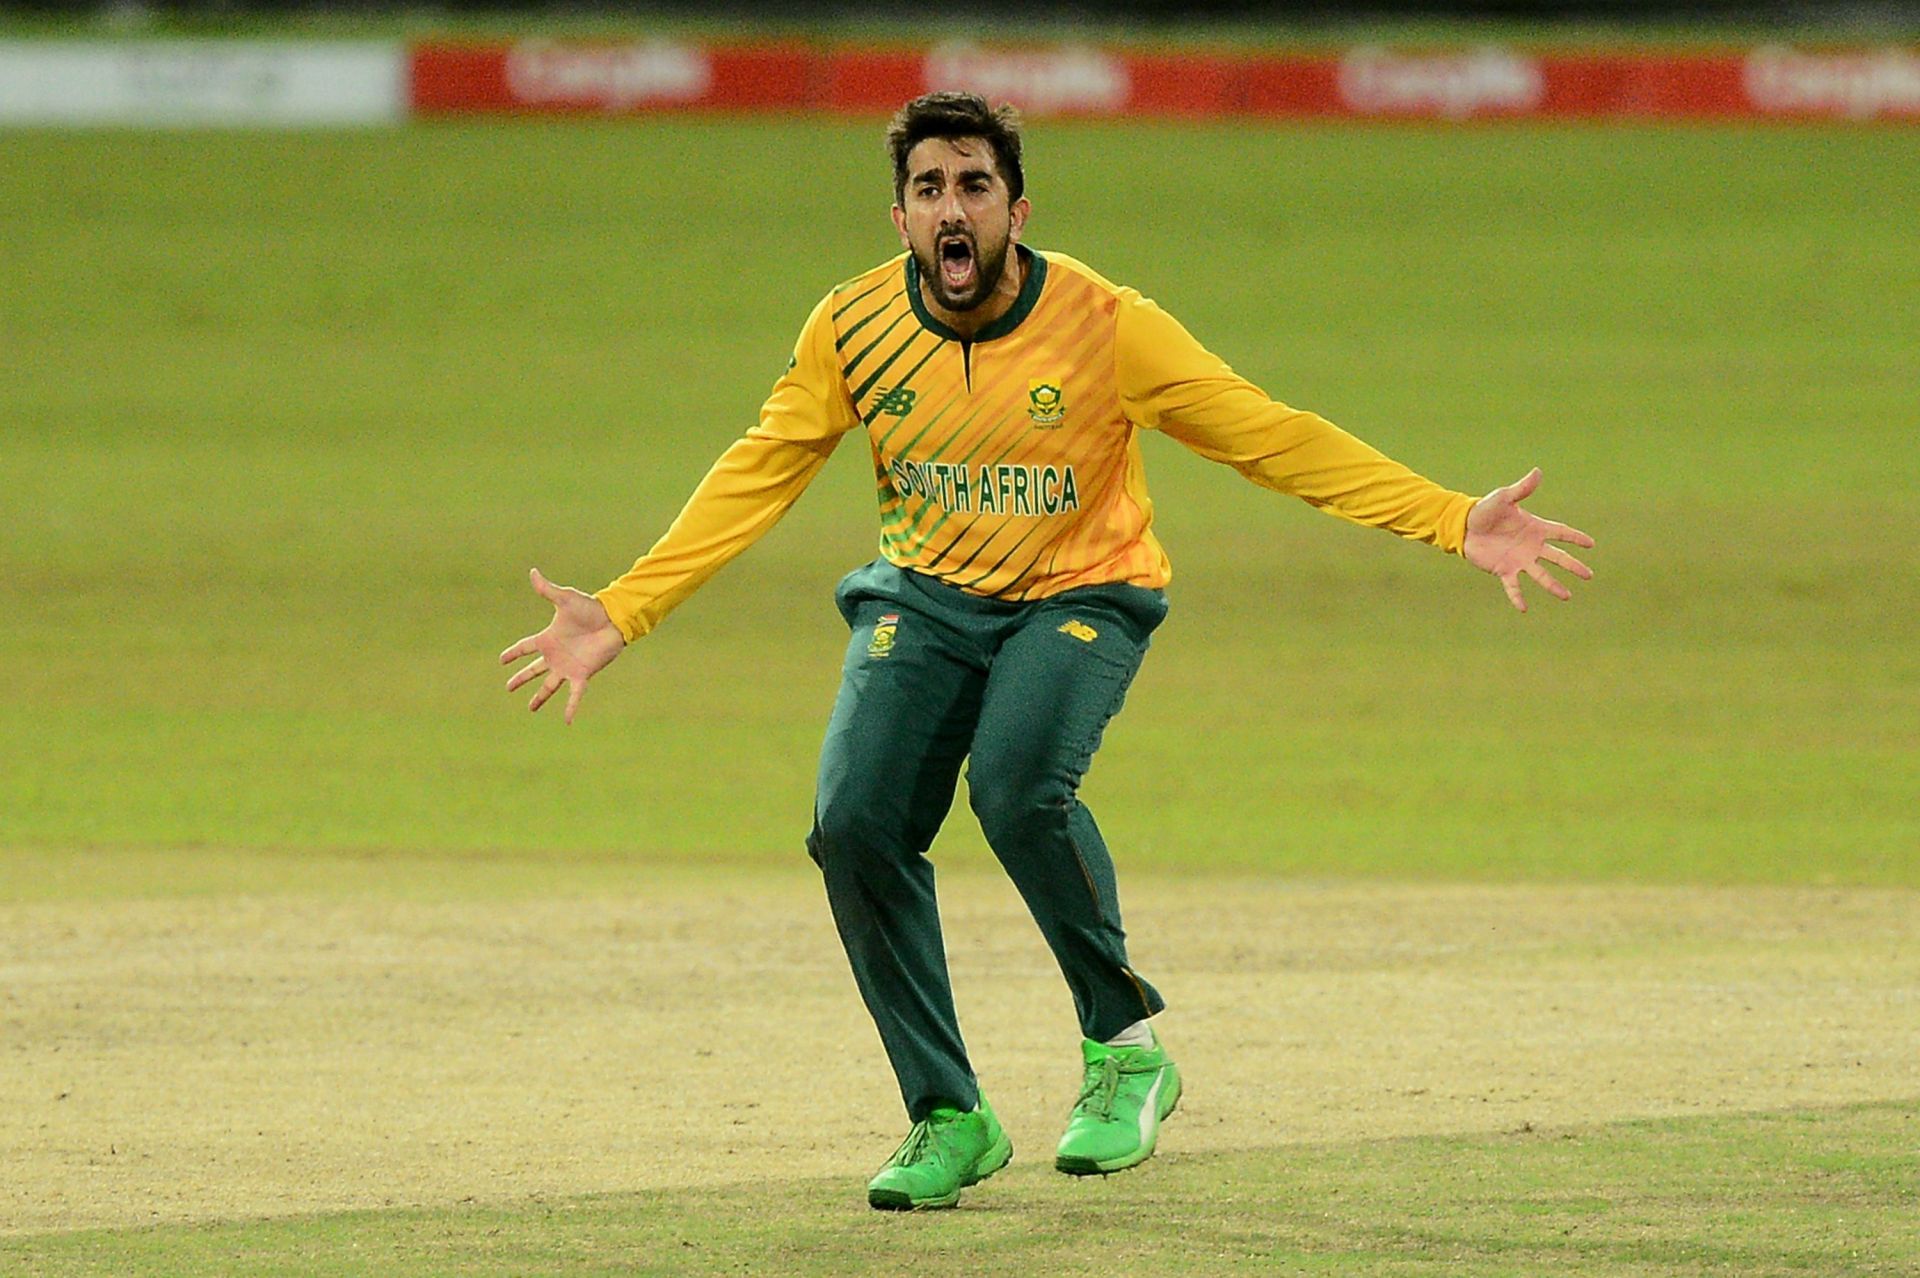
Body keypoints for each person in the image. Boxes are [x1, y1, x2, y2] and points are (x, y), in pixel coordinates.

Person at [501, 91, 1593, 1211]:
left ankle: (1125, 1051)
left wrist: (1451, 517)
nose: (952, 209)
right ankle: (948, 1114)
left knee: (1019, 785)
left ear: (1017, 208)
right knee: (853, 824)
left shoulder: (1108, 324)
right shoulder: (850, 327)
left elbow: (1269, 436)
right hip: (924, 600)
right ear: (900, 219)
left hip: (1083, 593)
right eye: (929, 189)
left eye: (974, 185)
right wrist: (623, 610)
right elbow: (758, 471)